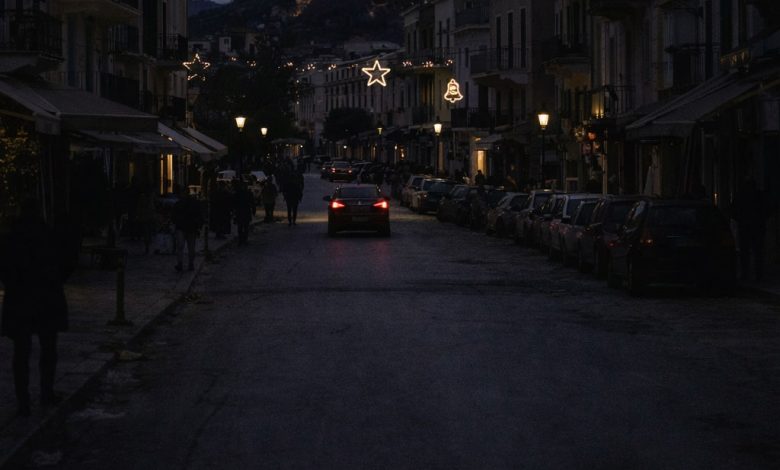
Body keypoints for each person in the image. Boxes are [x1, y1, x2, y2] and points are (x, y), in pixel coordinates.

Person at [0, 199, 77, 417]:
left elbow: (4, 268)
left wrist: (13, 285)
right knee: (48, 349)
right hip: (46, 298)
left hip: (20, 300)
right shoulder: (48, 236)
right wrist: (55, 281)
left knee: (21, 353)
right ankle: (46, 392)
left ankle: (23, 400)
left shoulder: (11, 239)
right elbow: (66, 262)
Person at [732, 177, 768, 281]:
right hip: (757, 227)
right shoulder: (759, 196)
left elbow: (733, 210)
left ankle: (746, 274)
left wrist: (740, 219)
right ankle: (758, 274)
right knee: (757, 252)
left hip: (746, 227)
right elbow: (767, 209)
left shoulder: (741, 196)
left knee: (745, 252)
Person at [171, 186, 203, 271]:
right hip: (188, 227)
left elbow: (173, 216)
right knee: (189, 247)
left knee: (183, 246)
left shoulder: (179, 204)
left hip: (185, 227)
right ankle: (187, 263)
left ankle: (183, 263)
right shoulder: (193, 203)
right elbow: (200, 215)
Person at [134, 181, 157, 254]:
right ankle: (147, 243)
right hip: (149, 216)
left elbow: (139, 207)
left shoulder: (144, 196)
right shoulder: (149, 196)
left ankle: (147, 244)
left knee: (147, 231)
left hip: (146, 216)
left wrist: (138, 214)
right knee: (148, 231)